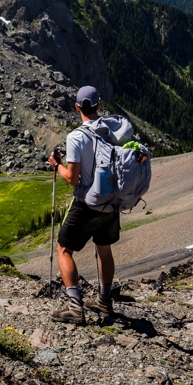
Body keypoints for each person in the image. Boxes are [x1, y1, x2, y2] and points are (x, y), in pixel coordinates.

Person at [47, 85, 117, 324]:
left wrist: (57, 165)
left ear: (77, 107)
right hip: (111, 200)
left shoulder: (76, 137)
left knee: (64, 250)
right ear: (98, 105)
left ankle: (75, 309)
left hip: (87, 203)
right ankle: (104, 302)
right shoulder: (111, 129)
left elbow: (72, 179)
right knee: (104, 249)